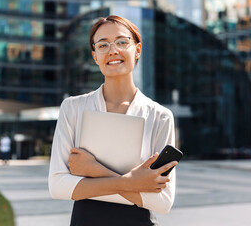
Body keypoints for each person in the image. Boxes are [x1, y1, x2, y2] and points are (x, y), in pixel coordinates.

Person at [48, 15, 178, 226]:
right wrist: (133, 183)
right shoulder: (73, 108)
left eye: (121, 42)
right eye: (103, 45)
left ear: (137, 50)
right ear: (95, 56)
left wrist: (95, 171)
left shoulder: (160, 116)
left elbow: (163, 202)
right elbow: (58, 186)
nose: (112, 50)